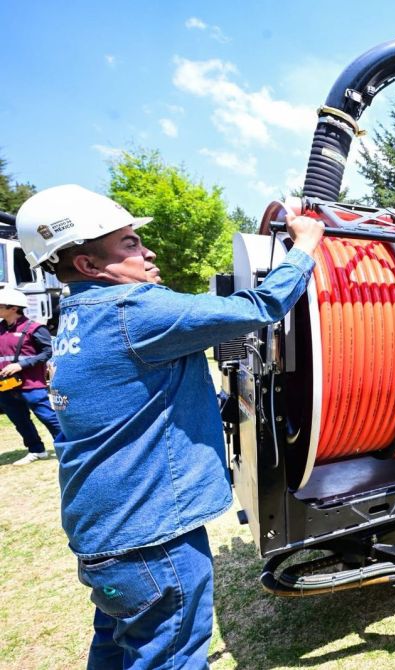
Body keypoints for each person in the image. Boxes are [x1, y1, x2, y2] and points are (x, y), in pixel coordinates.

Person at [16, 184, 325, 669]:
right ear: (89, 265)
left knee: (117, 645)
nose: (148, 251)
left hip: (104, 538)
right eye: (129, 243)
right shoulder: (134, 311)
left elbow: (133, 397)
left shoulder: (75, 320)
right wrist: (304, 246)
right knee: (171, 657)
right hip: (152, 541)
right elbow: (259, 307)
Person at [0, 286, 61, 464]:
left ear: (14, 308)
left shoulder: (35, 328)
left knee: (48, 417)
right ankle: (36, 450)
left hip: (31, 384)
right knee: (20, 420)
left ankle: (67, 448)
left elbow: (48, 352)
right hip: (5, 385)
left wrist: (21, 365)